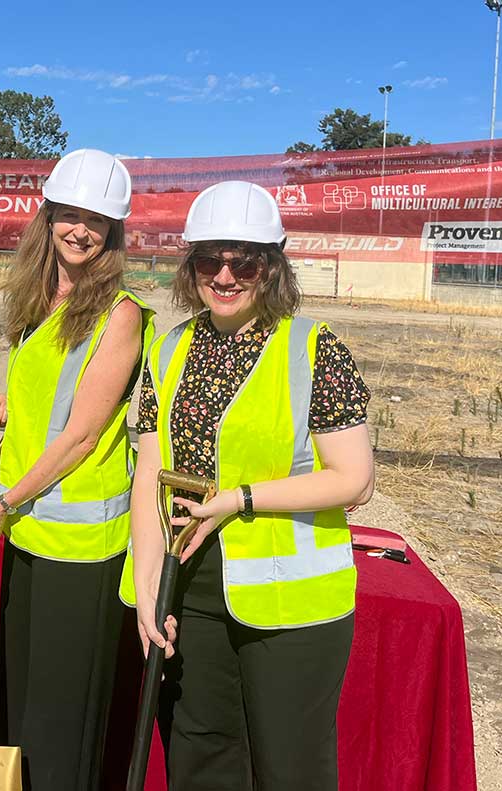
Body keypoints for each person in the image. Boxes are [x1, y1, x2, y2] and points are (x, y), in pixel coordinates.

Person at [123, 180, 374, 791]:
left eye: (246, 260)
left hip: (293, 602)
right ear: (191, 266)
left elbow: (355, 480)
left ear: (274, 265)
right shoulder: (169, 349)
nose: (226, 275)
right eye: (211, 259)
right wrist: (150, 581)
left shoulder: (315, 350)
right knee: (201, 753)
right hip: (193, 584)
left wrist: (240, 500)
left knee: (290, 765)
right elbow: (149, 478)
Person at [0, 148, 154, 791]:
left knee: (60, 726)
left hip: (80, 550)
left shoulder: (120, 315)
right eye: (68, 215)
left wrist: (3, 502)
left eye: (95, 220)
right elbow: (51, 399)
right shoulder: (40, 296)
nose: (79, 229)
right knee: (22, 710)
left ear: (114, 231)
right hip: (27, 534)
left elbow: (80, 437)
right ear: (47, 218)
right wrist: (9, 405)